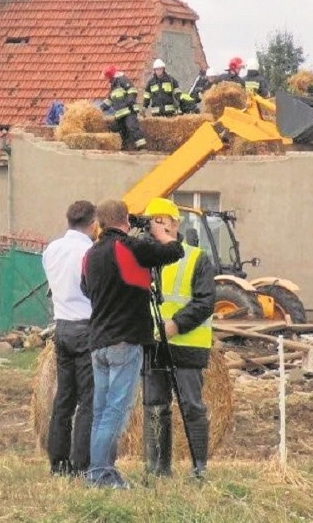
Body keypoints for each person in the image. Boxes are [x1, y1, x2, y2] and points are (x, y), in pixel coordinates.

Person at [80, 199, 184, 489]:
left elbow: (85, 288)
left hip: (98, 341)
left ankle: (99, 470)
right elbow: (173, 252)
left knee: (100, 410)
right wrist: (164, 232)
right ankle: (100, 472)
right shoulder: (128, 247)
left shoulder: (91, 253)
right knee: (116, 409)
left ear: (100, 222)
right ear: (125, 220)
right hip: (125, 339)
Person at [140, 198, 215, 480]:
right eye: (151, 220)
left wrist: (176, 324)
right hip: (153, 346)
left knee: (191, 407)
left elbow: (206, 301)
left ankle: (199, 469)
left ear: (174, 223)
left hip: (188, 346)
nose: (155, 225)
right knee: (155, 407)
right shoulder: (144, 259)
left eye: (161, 219)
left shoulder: (196, 257)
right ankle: (158, 468)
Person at [41, 200, 97, 478]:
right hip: (87, 326)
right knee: (88, 400)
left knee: (64, 397)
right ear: (93, 223)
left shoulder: (51, 249)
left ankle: (57, 461)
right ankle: (80, 463)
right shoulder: (90, 250)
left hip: (61, 326)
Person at [99, 65, 147, 150]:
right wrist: (100, 109)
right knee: (115, 128)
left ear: (110, 75)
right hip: (120, 114)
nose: (106, 79)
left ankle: (142, 147)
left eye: (106, 77)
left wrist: (128, 102)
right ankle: (124, 147)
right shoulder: (113, 85)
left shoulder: (122, 80)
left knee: (132, 127)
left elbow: (132, 90)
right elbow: (109, 100)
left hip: (129, 111)